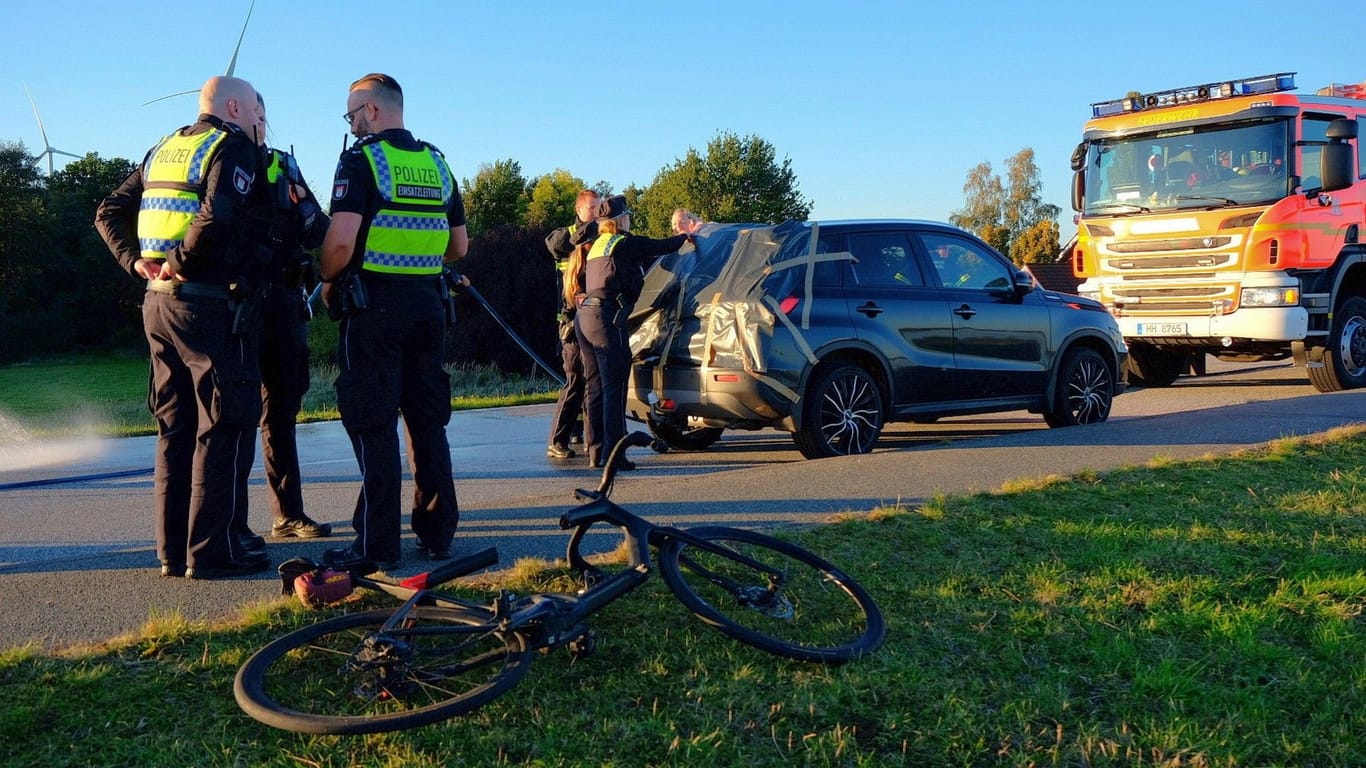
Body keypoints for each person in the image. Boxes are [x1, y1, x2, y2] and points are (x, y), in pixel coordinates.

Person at [93, 75, 272, 579]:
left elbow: (108, 210)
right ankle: (211, 554)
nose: (258, 116)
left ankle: (172, 553)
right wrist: (181, 261)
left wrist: (138, 264)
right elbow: (217, 216)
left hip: (157, 305)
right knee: (221, 425)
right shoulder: (230, 146)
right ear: (234, 106)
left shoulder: (164, 148)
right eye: (254, 106)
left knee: (173, 429)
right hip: (206, 304)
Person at [319, 73, 466, 569]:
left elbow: (340, 242)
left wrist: (324, 276)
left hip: (374, 308)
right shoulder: (437, 163)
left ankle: (376, 545)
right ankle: (437, 531)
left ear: (373, 109)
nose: (352, 122)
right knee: (427, 422)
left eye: (352, 113)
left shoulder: (360, 161)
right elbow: (458, 246)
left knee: (373, 422)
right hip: (428, 305)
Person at [232, 93, 334, 547]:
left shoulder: (283, 165)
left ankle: (287, 514)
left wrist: (302, 205)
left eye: (264, 112)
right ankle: (230, 524)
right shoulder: (216, 163)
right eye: (255, 110)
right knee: (234, 415)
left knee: (281, 414)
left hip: (286, 304)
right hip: (239, 305)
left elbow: (320, 230)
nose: (262, 119)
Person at [565, 195, 699, 469]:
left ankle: (596, 452)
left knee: (595, 387)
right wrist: (686, 236)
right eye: (627, 215)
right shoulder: (626, 242)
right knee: (614, 386)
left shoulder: (599, 244)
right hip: (605, 319)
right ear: (621, 219)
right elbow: (660, 246)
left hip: (585, 318)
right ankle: (615, 455)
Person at [542, 189, 601, 460]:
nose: (597, 213)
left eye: (599, 208)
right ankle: (557, 440)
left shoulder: (600, 239)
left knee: (591, 382)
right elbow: (553, 244)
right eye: (592, 208)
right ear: (578, 210)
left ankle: (588, 437)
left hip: (591, 319)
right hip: (569, 321)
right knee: (575, 380)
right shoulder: (564, 237)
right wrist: (584, 232)